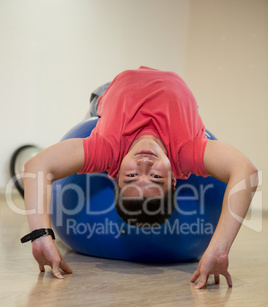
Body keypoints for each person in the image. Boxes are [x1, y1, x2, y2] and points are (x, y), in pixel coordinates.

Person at [22, 66, 258, 288]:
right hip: (171, 98)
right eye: (156, 177)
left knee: (95, 113)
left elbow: (37, 166)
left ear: (113, 175)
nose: (145, 162)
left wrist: (40, 236)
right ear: (175, 178)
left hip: (109, 92)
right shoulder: (188, 151)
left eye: (132, 175)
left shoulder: (105, 150)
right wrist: (220, 249)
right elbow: (246, 171)